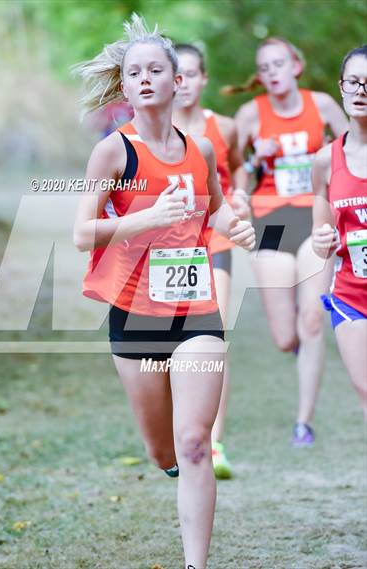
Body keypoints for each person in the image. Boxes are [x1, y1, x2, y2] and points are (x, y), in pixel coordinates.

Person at [73, 14, 255, 569]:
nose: (146, 79)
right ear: (123, 87)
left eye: (157, 70)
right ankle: (172, 464)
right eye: (134, 73)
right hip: (135, 312)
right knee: (165, 451)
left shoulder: (199, 147)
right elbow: (83, 233)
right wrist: (145, 216)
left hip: (197, 309)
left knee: (196, 443)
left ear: (179, 82)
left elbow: (217, 210)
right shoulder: (113, 152)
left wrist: (235, 228)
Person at [232, 37, 348, 446]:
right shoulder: (250, 114)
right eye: (265, 68)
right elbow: (235, 171)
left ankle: (304, 422)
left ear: (296, 65)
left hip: (314, 214)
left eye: (279, 64)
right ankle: (299, 341)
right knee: (286, 337)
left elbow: (353, 149)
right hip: (271, 221)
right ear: (260, 76)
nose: (273, 72)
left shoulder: (321, 106)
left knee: (313, 318)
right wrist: (252, 160)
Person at [173, 43, 250, 478]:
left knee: (214, 338)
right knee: (168, 341)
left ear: (204, 79)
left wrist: (239, 194)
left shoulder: (225, 127)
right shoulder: (153, 130)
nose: (184, 83)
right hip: (167, 249)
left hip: (214, 241)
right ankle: (181, 432)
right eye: (176, 74)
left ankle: (214, 442)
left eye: (191, 74)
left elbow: (237, 169)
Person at [312, 45, 367, 417]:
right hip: (351, 295)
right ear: (341, 87)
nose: (361, 91)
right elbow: (322, 238)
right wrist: (321, 240)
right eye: (353, 82)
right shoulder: (325, 160)